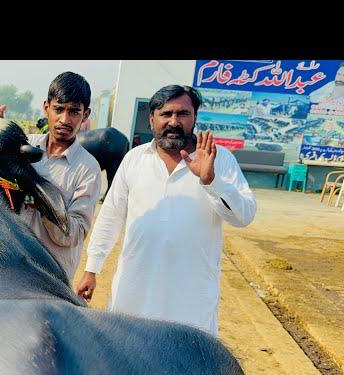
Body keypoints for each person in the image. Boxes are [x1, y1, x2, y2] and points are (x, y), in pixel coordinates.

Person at [76, 84, 257, 336]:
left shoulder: (219, 159)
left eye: (183, 114)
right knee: (128, 358)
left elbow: (244, 216)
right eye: (166, 114)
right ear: (152, 120)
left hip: (190, 299)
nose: (174, 121)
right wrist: (91, 269)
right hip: (134, 290)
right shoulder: (135, 159)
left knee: (186, 366)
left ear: (194, 118)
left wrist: (211, 181)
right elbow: (111, 216)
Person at [0, 72, 102, 282]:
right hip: (8, 264)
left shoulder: (88, 168)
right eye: (58, 109)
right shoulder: (23, 145)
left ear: (86, 114)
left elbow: (75, 234)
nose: (65, 119)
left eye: (74, 111)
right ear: (46, 108)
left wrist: (41, 199)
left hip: (48, 278)